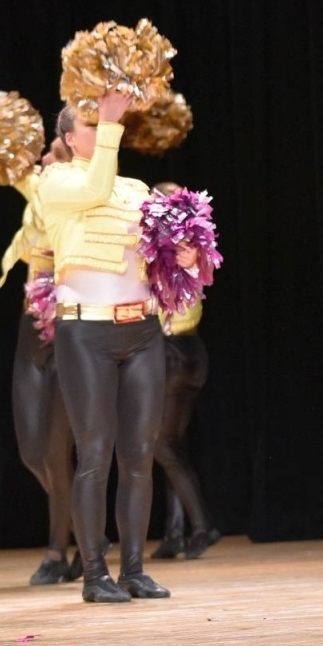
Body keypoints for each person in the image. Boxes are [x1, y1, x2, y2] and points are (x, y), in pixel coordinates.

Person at [41, 97, 200, 603]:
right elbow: (94, 187)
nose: (103, 126)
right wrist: (111, 122)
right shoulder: (57, 180)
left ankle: (134, 569)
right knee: (94, 454)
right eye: (91, 123)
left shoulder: (135, 190)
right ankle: (94, 575)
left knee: (139, 455)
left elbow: (162, 260)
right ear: (70, 139)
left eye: (105, 121)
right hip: (86, 333)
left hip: (143, 332)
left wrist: (185, 258)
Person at [1, 136, 80, 585]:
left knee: (56, 450)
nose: (43, 158)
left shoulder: (81, 194)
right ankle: (85, 528)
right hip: (32, 326)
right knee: (32, 451)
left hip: (70, 327)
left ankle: (57, 551)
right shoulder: (41, 188)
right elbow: (11, 168)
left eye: (53, 152)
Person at [149, 182, 220, 562]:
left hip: (173, 352)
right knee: (171, 445)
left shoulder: (176, 246)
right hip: (190, 351)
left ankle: (203, 526)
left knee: (162, 445)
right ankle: (175, 533)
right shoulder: (188, 244)